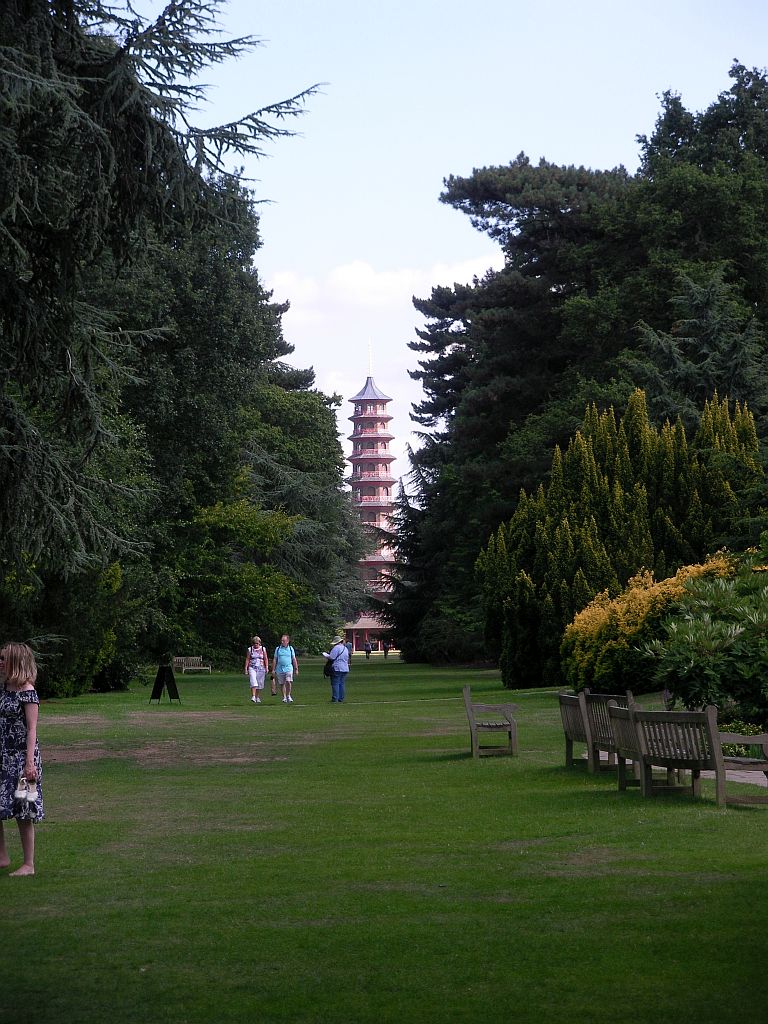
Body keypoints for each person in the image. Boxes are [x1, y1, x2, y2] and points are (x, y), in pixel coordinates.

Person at [0, 642, 44, 876]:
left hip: (21, 759)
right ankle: (2, 857)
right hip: (2, 757)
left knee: (23, 809)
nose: (0, 662)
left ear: (16, 661)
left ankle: (29, 864)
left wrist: (29, 763)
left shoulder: (27, 691)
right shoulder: (4, 688)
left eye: (4, 658)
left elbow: (32, 730)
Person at [272, 634, 298, 704]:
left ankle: (288, 695)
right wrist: (273, 669)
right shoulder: (278, 649)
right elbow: (275, 659)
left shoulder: (291, 649)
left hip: (288, 668)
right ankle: (284, 697)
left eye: (284, 640)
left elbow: (294, 659)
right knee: (282, 683)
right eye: (281, 640)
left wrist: (296, 668)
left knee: (288, 681)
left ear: (287, 641)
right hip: (279, 668)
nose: (282, 642)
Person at [244, 635, 268, 703]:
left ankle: (257, 696)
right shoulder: (250, 649)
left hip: (261, 668)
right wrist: (246, 668)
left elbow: (265, 658)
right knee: (253, 681)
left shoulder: (263, 649)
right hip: (252, 667)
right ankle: (253, 696)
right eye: (254, 643)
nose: (256, 645)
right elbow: (247, 659)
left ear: (259, 643)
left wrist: (266, 667)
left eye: (257, 643)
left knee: (259, 683)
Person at [325, 636, 350, 703]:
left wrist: (326, 655)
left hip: (337, 667)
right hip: (345, 668)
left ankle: (335, 698)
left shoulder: (336, 648)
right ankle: (341, 698)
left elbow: (332, 657)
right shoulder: (345, 648)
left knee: (335, 683)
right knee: (341, 684)